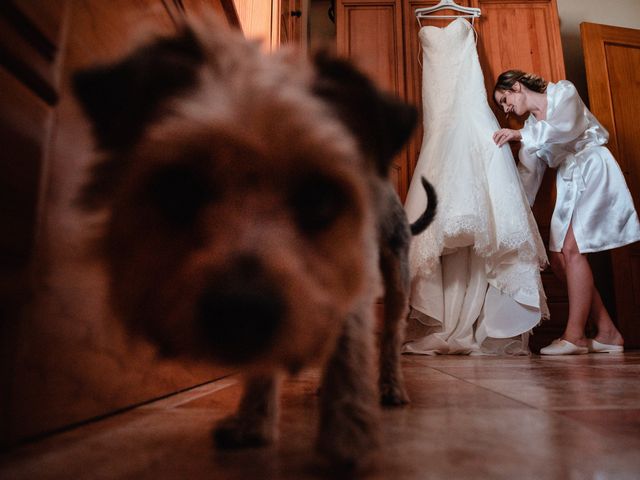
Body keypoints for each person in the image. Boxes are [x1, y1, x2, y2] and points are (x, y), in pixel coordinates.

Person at [403, 18, 549, 356]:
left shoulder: (468, 20)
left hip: (471, 115)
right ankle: (445, 320)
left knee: (487, 214)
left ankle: (485, 323)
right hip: (438, 118)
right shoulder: (422, 18)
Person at [493, 70, 640, 355]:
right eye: (502, 106)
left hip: (593, 167)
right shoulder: (529, 129)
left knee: (572, 250)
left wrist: (520, 134)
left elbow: (566, 127)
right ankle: (608, 332)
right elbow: (529, 177)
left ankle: (574, 337)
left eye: (505, 99)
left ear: (517, 86)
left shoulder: (563, 93)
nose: (506, 108)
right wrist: (512, 212)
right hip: (568, 181)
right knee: (559, 260)